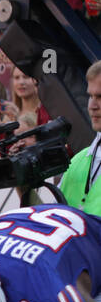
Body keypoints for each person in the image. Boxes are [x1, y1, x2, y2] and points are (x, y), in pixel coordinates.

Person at [57, 60, 101, 217]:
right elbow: (50, 225)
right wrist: (24, 187)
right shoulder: (77, 161)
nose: (93, 105)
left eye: (100, 97)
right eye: (90, 96)